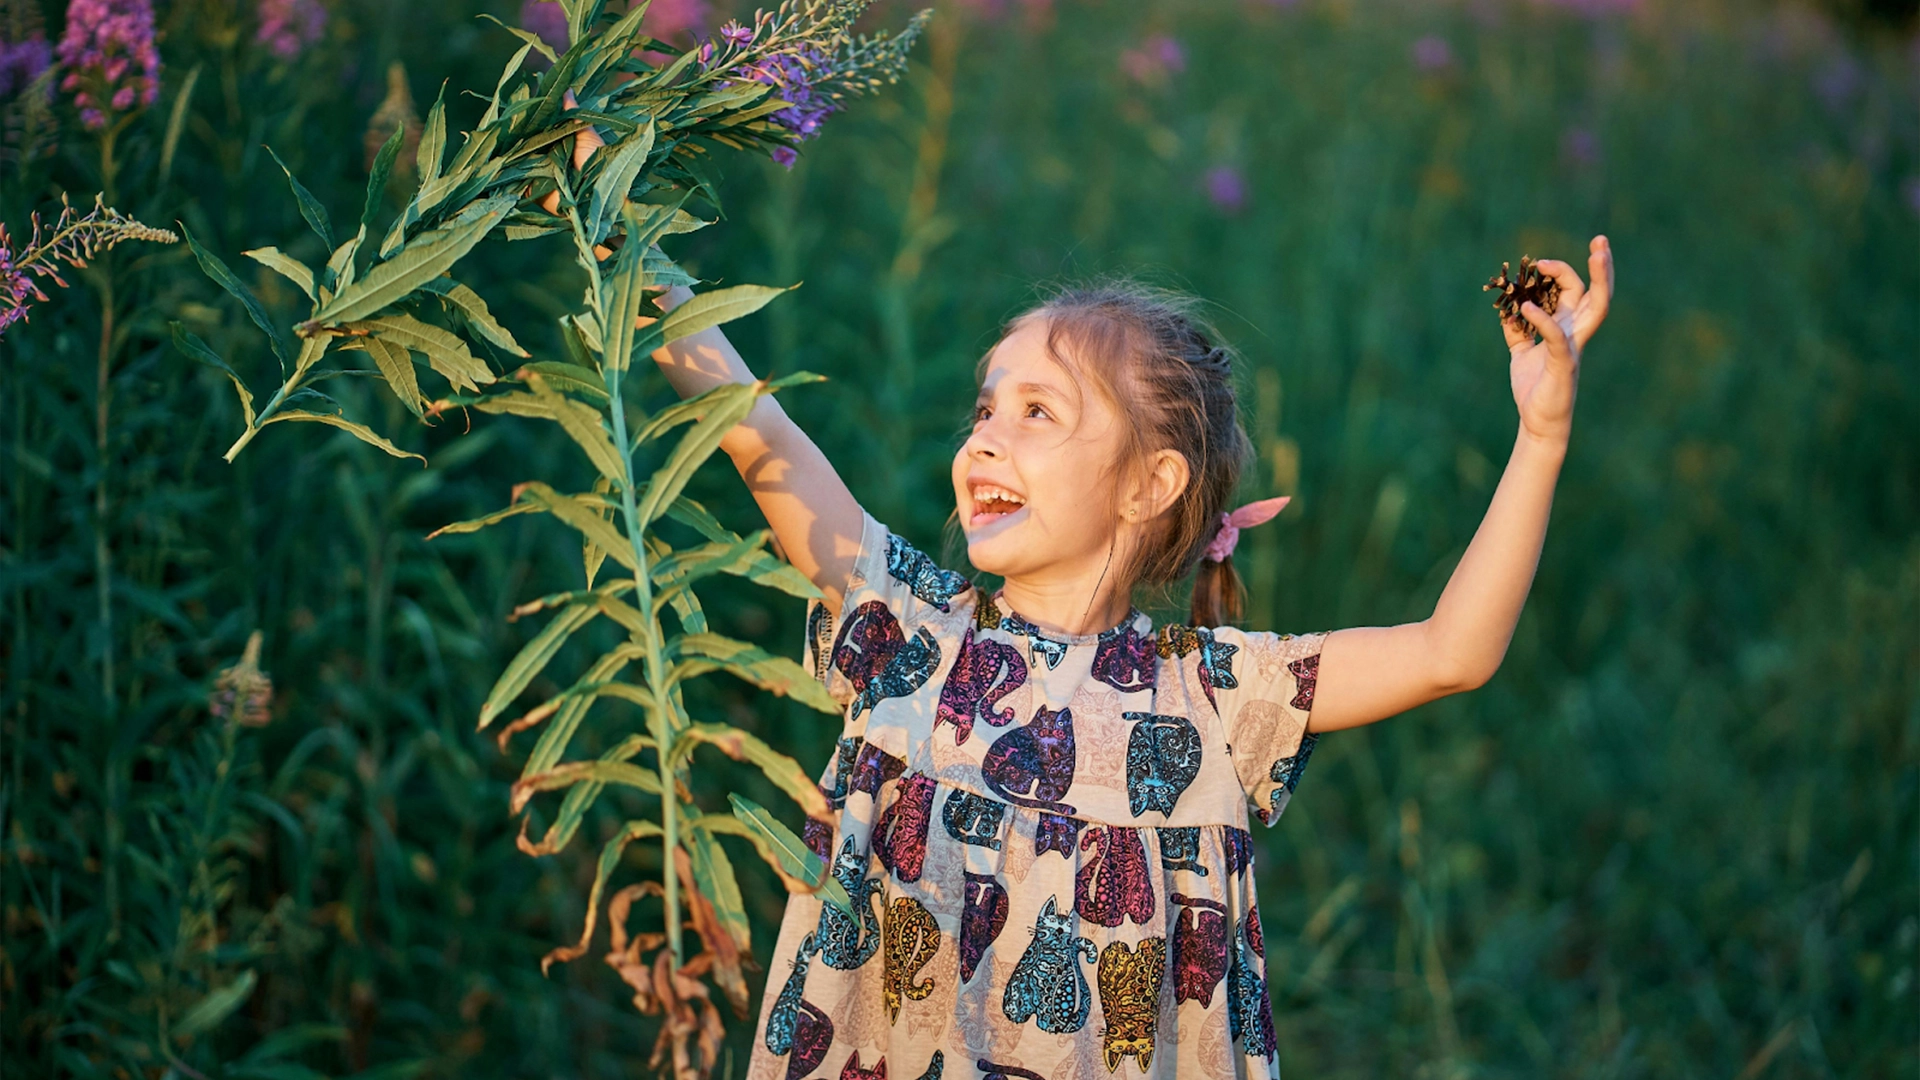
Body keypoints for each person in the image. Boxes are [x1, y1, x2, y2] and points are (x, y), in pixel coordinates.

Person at [642, 238, 1612, 1079]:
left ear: (1151, 484)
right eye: (985, 412)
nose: (985, 440)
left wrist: (1544, 434)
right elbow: (754, 427)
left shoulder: (1213, 699)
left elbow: (1452, 653)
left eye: (1036, 415)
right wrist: (629, 247)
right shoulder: (908, 633)